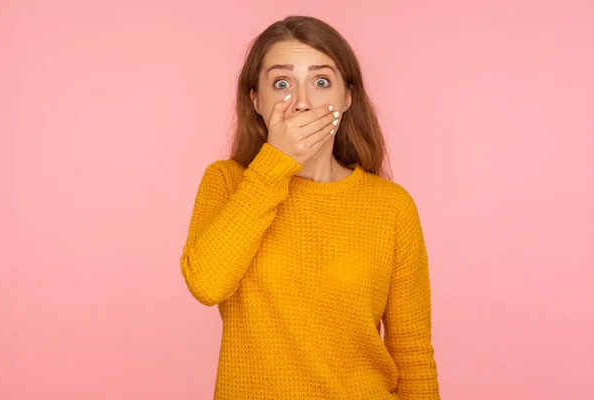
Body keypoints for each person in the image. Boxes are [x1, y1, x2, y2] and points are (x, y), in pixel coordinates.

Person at [179, 15, 440, 400]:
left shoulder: (391, 206)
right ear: (256, 101)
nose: (301, 102)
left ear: (347, 97)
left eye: (321, 82)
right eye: (281, 83)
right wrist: (274, 166)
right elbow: (206, 283)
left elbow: (413, 353)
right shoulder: (228, 183)